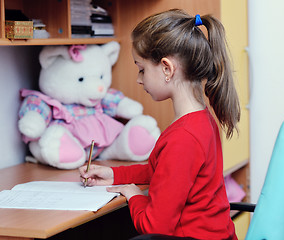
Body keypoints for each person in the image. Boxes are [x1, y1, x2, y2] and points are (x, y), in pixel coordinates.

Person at [79, 8, 240, 240]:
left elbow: (154, 227)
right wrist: (114, 175)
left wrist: (133, 194)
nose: (138, 78)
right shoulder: (200, 119)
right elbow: (163, 170)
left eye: (141, 69)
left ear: (167, 68)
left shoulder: (183, 137)